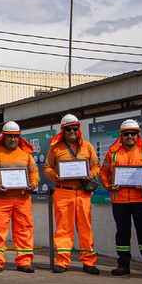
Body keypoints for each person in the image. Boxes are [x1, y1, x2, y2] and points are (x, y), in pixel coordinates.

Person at [99, 119, 142, 278]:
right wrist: (108, 186)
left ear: (138, 135)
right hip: (119, 201)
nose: (130, 136)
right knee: (122, 234)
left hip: (141, 200)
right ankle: (123, 265)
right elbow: (103, 173)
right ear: (122, 135)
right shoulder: (113, 153)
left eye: (133, 133)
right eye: (126, 134)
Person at [43, 114, 101, 274]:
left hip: (82, 193)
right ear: (63, 130)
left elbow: (96, 165)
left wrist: (91, 174)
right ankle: (62, 261)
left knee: (85, 228)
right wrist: (56, 176)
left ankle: (89, 262)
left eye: (75, 128)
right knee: (63, 228)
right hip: (63, 192)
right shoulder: (56, 148)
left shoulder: (87, 147)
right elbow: (47, 168)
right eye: (68, 129)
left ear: (79, 129)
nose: (72, 132)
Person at [0, 121, 39, 274]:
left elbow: (34, 172)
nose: (13, 140)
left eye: (16, 137)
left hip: (22, 198)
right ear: (4, 137)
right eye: (10, 137)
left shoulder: (25, 154)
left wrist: (33, 184)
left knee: (25, 230)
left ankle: (25, 262)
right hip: (1, 198)